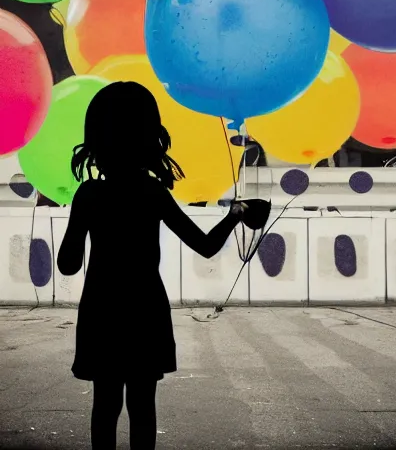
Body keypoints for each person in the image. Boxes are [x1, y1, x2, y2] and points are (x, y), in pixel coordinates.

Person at [56, 81, 258, 450]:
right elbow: (207, 246)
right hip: (145, 310)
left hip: (101, 310)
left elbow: (68, 265)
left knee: (105, 404)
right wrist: (235, 215)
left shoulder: (89, 195)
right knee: (142, 406)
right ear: (151, 137)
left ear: (96, 137)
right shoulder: (152, 193)